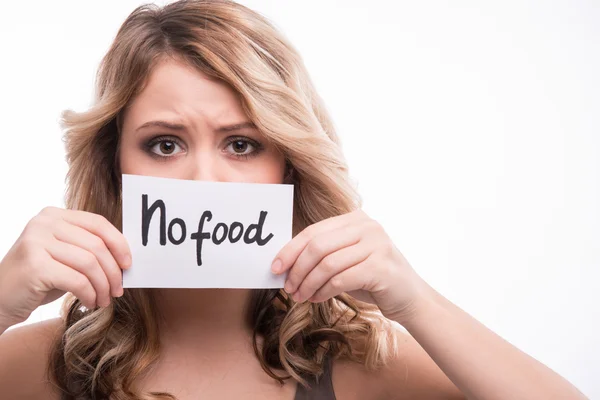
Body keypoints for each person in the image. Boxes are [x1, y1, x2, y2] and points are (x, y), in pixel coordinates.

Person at [0, 1, 588, 399]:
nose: (205, 180)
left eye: (241, 143)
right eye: (164, 143)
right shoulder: (45, 364)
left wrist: (416, 302)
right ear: (114, 166)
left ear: (288, 165)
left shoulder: (357, 364)